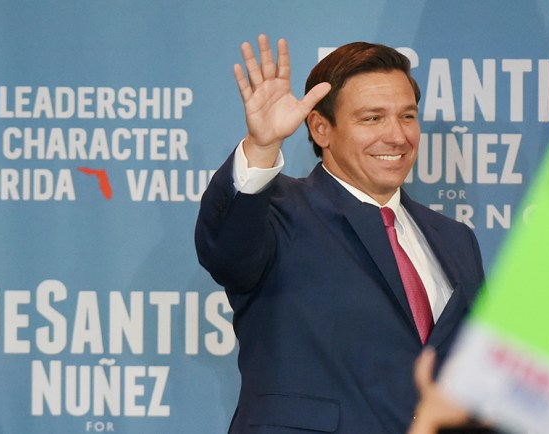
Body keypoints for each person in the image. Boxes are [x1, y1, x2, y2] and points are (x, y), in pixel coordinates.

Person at [195, 34, 485, 433]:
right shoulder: (278, 212)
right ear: (320, 128)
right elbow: (224, 251)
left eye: (407, 116)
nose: (397, 136)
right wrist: (262, 147)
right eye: (372, 118)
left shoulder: (455, 239)